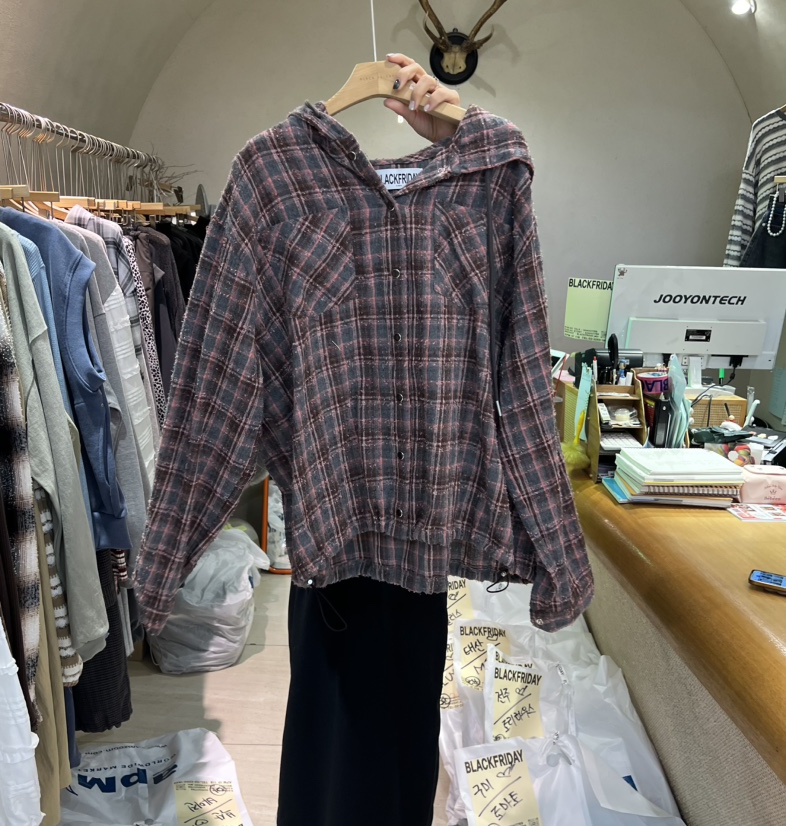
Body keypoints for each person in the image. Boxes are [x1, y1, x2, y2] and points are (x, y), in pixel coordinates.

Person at [275, 54, 463, 826]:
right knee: (333, 754)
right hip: (335, 558)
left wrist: (457, 129)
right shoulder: (286, 198)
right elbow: (240, 371)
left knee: (399, 753)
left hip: (418, 553)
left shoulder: (470, 208)